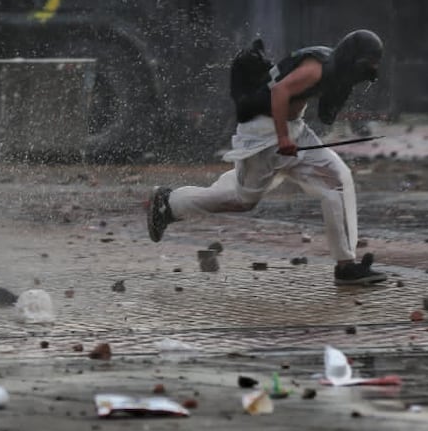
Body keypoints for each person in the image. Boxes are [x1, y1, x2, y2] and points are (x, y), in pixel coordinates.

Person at [147, 30, 387, 286]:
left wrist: (352, 82)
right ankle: (168, 204)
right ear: (352, 58)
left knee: (338, 178)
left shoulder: (334, 67)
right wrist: (283, 139)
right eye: (364, 67)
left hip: (294, 127)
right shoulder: (315, 69)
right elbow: (280, 92)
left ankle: (346, 265)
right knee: (242, 200)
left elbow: (325, 108)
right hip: (265, 132)